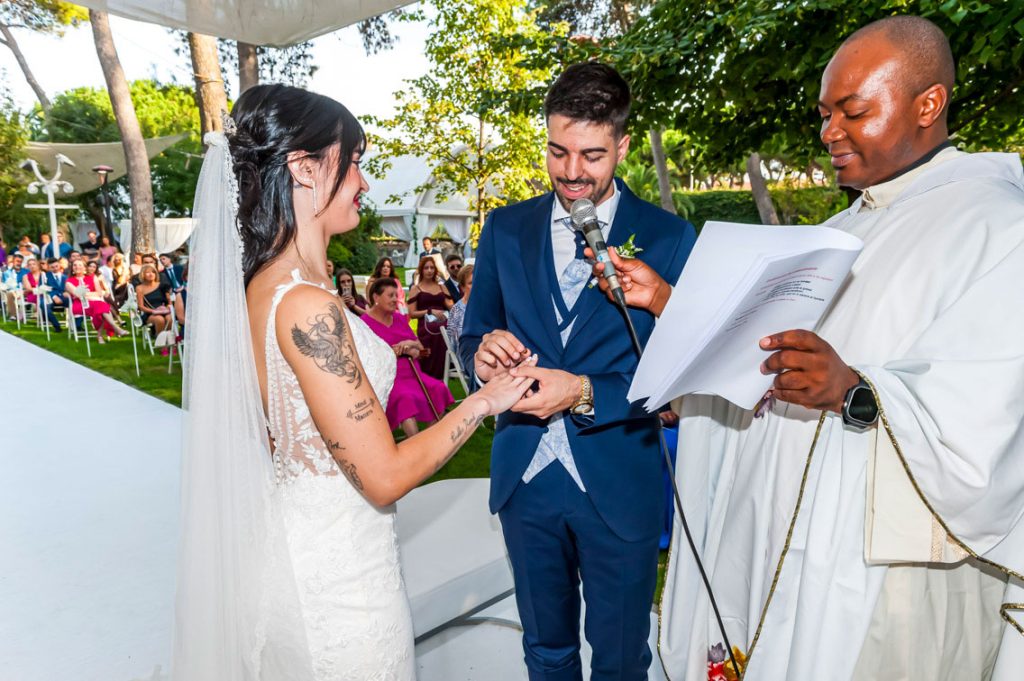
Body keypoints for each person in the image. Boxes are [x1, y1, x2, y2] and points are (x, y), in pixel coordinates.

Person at [588, 17, 1024, 681]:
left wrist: (854, 386)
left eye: (855, 112)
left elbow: (991, 401)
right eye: (824, 115)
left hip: (891, 571)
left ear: (928, 104)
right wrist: (668, 305)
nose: (829, 133)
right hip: (783, 542)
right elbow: (766, 351)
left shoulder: (997, 223)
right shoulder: (842, 225)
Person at [173, 83, 532, 680]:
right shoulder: (308, 306)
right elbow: (384, 476)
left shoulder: (259, 290)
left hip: (297, 551)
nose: (364, 181)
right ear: (304, 168)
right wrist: (488, 400)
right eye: (355, 161)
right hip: (337, 590)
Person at [459, 61, 696, 680]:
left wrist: (586, 392)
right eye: (557, 151)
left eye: (591, 155)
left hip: (619, 480)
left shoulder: (669, 237)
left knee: (621, 659)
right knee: (545, 648)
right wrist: (481, 356)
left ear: (621, 145)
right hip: (525, 478)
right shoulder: (506, 229)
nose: (571, 172)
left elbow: (685, 369)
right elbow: (475, 330)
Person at [361, 277, 455, 437]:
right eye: (390, 295)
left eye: (396, 295)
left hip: (413, 374)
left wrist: (408, 344)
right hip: (389, 379)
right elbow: (366, 357)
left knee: (439, 389)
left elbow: (419, 348)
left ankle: (427, 440)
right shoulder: (365, 324)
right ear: (376, 298)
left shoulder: (399, 318)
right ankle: (416, 445)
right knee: (405, 399)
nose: (395, 300)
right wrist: (394, 351)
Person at [407, 256, 453, 380]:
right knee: (428, 359)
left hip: (444, 327)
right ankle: (427, 383)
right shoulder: (416, 289)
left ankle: (442, 383)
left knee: (443, 357)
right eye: (426, 268)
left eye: (432, 268)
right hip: (426, 330)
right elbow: (412, 313)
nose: (429, 270)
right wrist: (429, 311)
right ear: (421, 270)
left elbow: (451, 306)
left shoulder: (441, 287)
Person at [65, 259, 126, 343]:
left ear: (84, 268)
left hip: (94, 303)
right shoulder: (69, 282)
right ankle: (114, 329)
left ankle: (102, 334)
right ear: (72, 268)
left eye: (80, 265)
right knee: (102, 306)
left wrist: (85, 294)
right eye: (75, 265)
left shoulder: (93, 277)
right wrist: (89, 294)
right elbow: (78, 295)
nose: (77, 267)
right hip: (79, 305)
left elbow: (99, 293)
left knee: (101, 306)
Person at [135, 264, 172, 338]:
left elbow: (169, 301)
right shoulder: (139, 288)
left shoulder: (162, 285)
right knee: (159, 319)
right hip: (150, 313)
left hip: (164, 310)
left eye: (153, 272)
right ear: (143, 275)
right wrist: (153, 311)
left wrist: (168, 307)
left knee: (169, 318)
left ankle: (170, 341)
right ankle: (161, 343)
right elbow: (141, 306)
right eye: (147, 272)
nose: (151, 274)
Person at [446, 263, 473, 356]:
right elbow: (453, 343)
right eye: (471, 283)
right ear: (462, 287)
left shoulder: (488, 304)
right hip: (467, 355)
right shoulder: (457, 310)